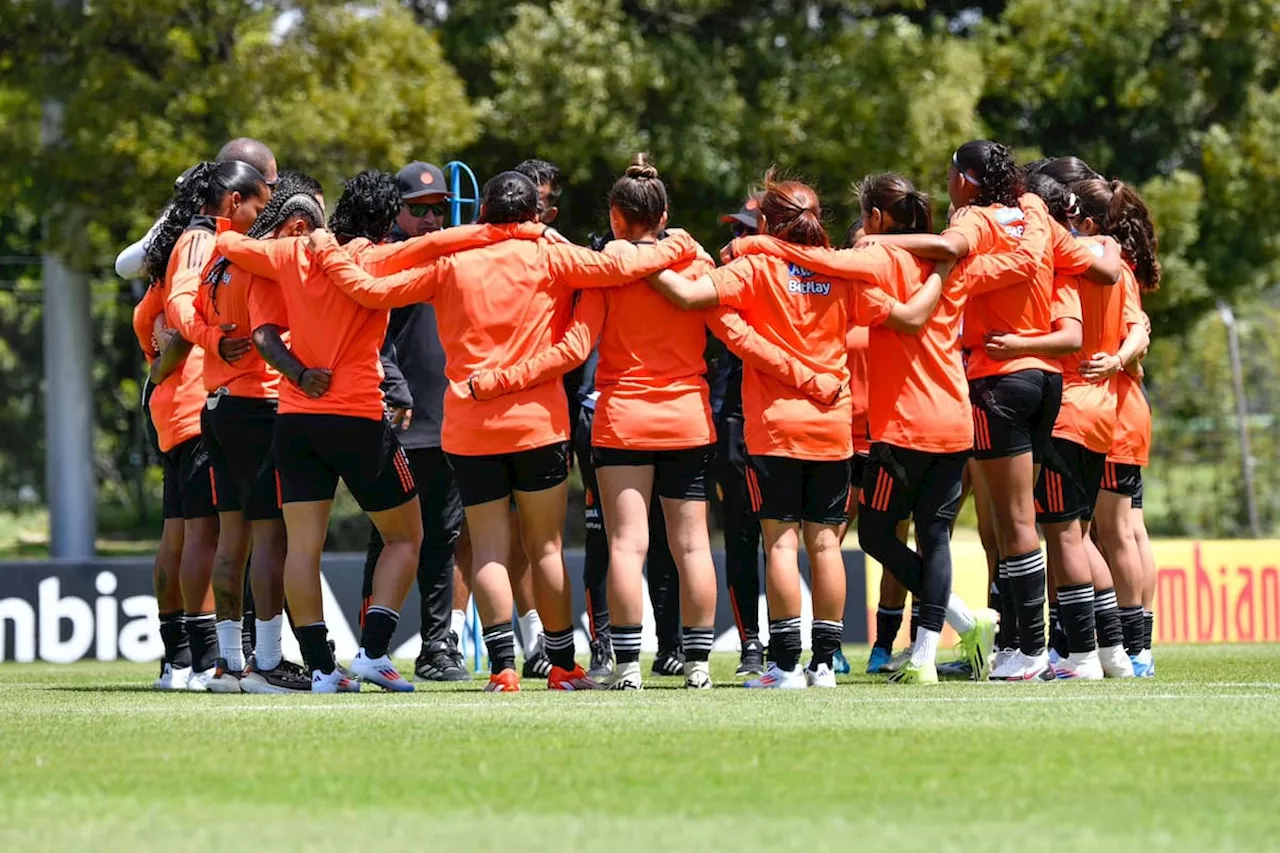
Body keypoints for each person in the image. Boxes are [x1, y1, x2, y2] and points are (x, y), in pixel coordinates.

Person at [307, 170, 702, 692]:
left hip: (469, 427)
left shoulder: (452, 261)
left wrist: (327, 250)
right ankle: (561, 664)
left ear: (482, 214)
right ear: (534, 216)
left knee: (489, 548)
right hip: (538, 425)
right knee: (544, 549)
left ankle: (503, 668)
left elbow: (373, 291)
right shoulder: (551, 254)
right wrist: (680, 245)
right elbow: (620, 262)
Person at [214, 170, 537, 692]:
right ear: (388, 220)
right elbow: (445, 239)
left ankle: (321, 669)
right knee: (408, 536)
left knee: (302, 549)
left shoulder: (293, 253)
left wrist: (220, 222)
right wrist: (515, 231)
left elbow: (230, 244)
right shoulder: (377, 256)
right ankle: (371, 651)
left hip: (295, 419)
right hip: (359, 419)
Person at [648, 171, 945, 688]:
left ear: (766, 221)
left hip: (776, 428)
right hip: (833, 425)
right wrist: (944, 266)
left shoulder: (756, 266)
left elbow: (691, 298)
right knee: (826, 546)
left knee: (781, 544)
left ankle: (785, 666)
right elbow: (902, 316)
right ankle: (824, 664)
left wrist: (645, 256)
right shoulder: (840, 272)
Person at [725, 173, 1000, 684]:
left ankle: (788, 668)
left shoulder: (867, 258)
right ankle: (852, 661)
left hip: (866, 424)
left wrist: (754, 246)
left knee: (803, 541)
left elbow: (714, 301)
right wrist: (944, 264)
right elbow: (915, 313)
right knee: (895, 538)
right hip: (923, 420)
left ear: (873, 218)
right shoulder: (946, 261)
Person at [182, 172, 329, 693]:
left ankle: (227, 664)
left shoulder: (220, 259)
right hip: (257, 407)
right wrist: (303, 376)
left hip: (216, 409)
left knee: (232, 539)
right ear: (291, 222)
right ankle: (267, 663)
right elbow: (267, 337)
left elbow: (198, 321)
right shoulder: (261, 263)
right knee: (273, 537)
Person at [143, 159, 273, 691]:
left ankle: (176, 661)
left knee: (180, 535)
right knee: (206, 535)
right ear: (230, 202)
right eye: (259, 206)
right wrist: (209, 343)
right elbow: (179, 317)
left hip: (179, 407)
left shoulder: (183, 243)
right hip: (197, 402)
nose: (263, 216)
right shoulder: (201, 244)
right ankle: (200, 661)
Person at [363, 160, 470, 683]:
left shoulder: (450, 253)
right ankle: (371, 647)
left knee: (443, 538)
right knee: (388, 535)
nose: (431, 218)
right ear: (396, 211)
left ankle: (436, 646)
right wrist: (393, 386)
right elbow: (371, 337)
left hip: (447, 418)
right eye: (419, 209)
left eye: (439, 209)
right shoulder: (382, 256)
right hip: (398, 418)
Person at [1069, 177, 1161, 678]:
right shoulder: (1116, 262)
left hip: (1117, 408)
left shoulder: (1109, 267)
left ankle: (1132, 645)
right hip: (1124, 406)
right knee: (1129, 529)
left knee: (1116, 530)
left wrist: (1116, 361)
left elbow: (1136, 334)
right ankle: (1138, 643)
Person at [711, 194, 766, 676]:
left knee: (807, 537)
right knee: (743, 537)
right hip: (734, 422)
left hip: (788, 421)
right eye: (735, 231)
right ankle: (753, 644)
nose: (736, 240)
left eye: (747, 230)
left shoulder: (794, 274)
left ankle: (816, 649)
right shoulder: (728, 275)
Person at [115, 139, 279, 281]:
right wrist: (178, 221)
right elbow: (126, 266)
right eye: (271, 186)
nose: (273, 195)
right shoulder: (195, 229)